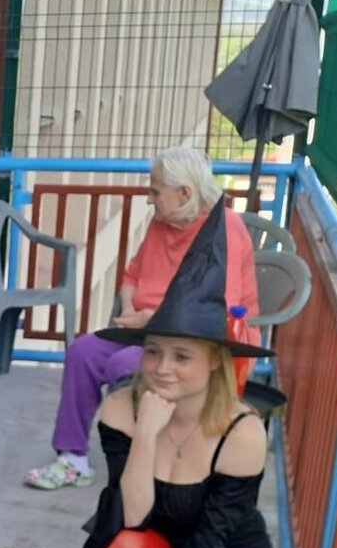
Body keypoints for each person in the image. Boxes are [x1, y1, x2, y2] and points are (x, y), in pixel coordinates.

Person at [80, 199, 275, 548]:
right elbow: (132, 516)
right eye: (153, 352)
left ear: (214, 362)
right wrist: (147, 433)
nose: (162, 368)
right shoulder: (122, 408)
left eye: (182, 356)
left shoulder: (242, 431)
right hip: (156, 539)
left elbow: (211, 539)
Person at [24, 144, 259, 490]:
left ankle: (140, 466)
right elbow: (132, 274)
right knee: (83, 352)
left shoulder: (225, 229)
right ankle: (72, 458)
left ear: (184, 193)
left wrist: (150, 319)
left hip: (199, 341)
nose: (149, 199)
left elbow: (215, 309)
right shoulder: (161, 223)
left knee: (125, 364)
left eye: (155, 191)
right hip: (146, 329)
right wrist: (129, 308)